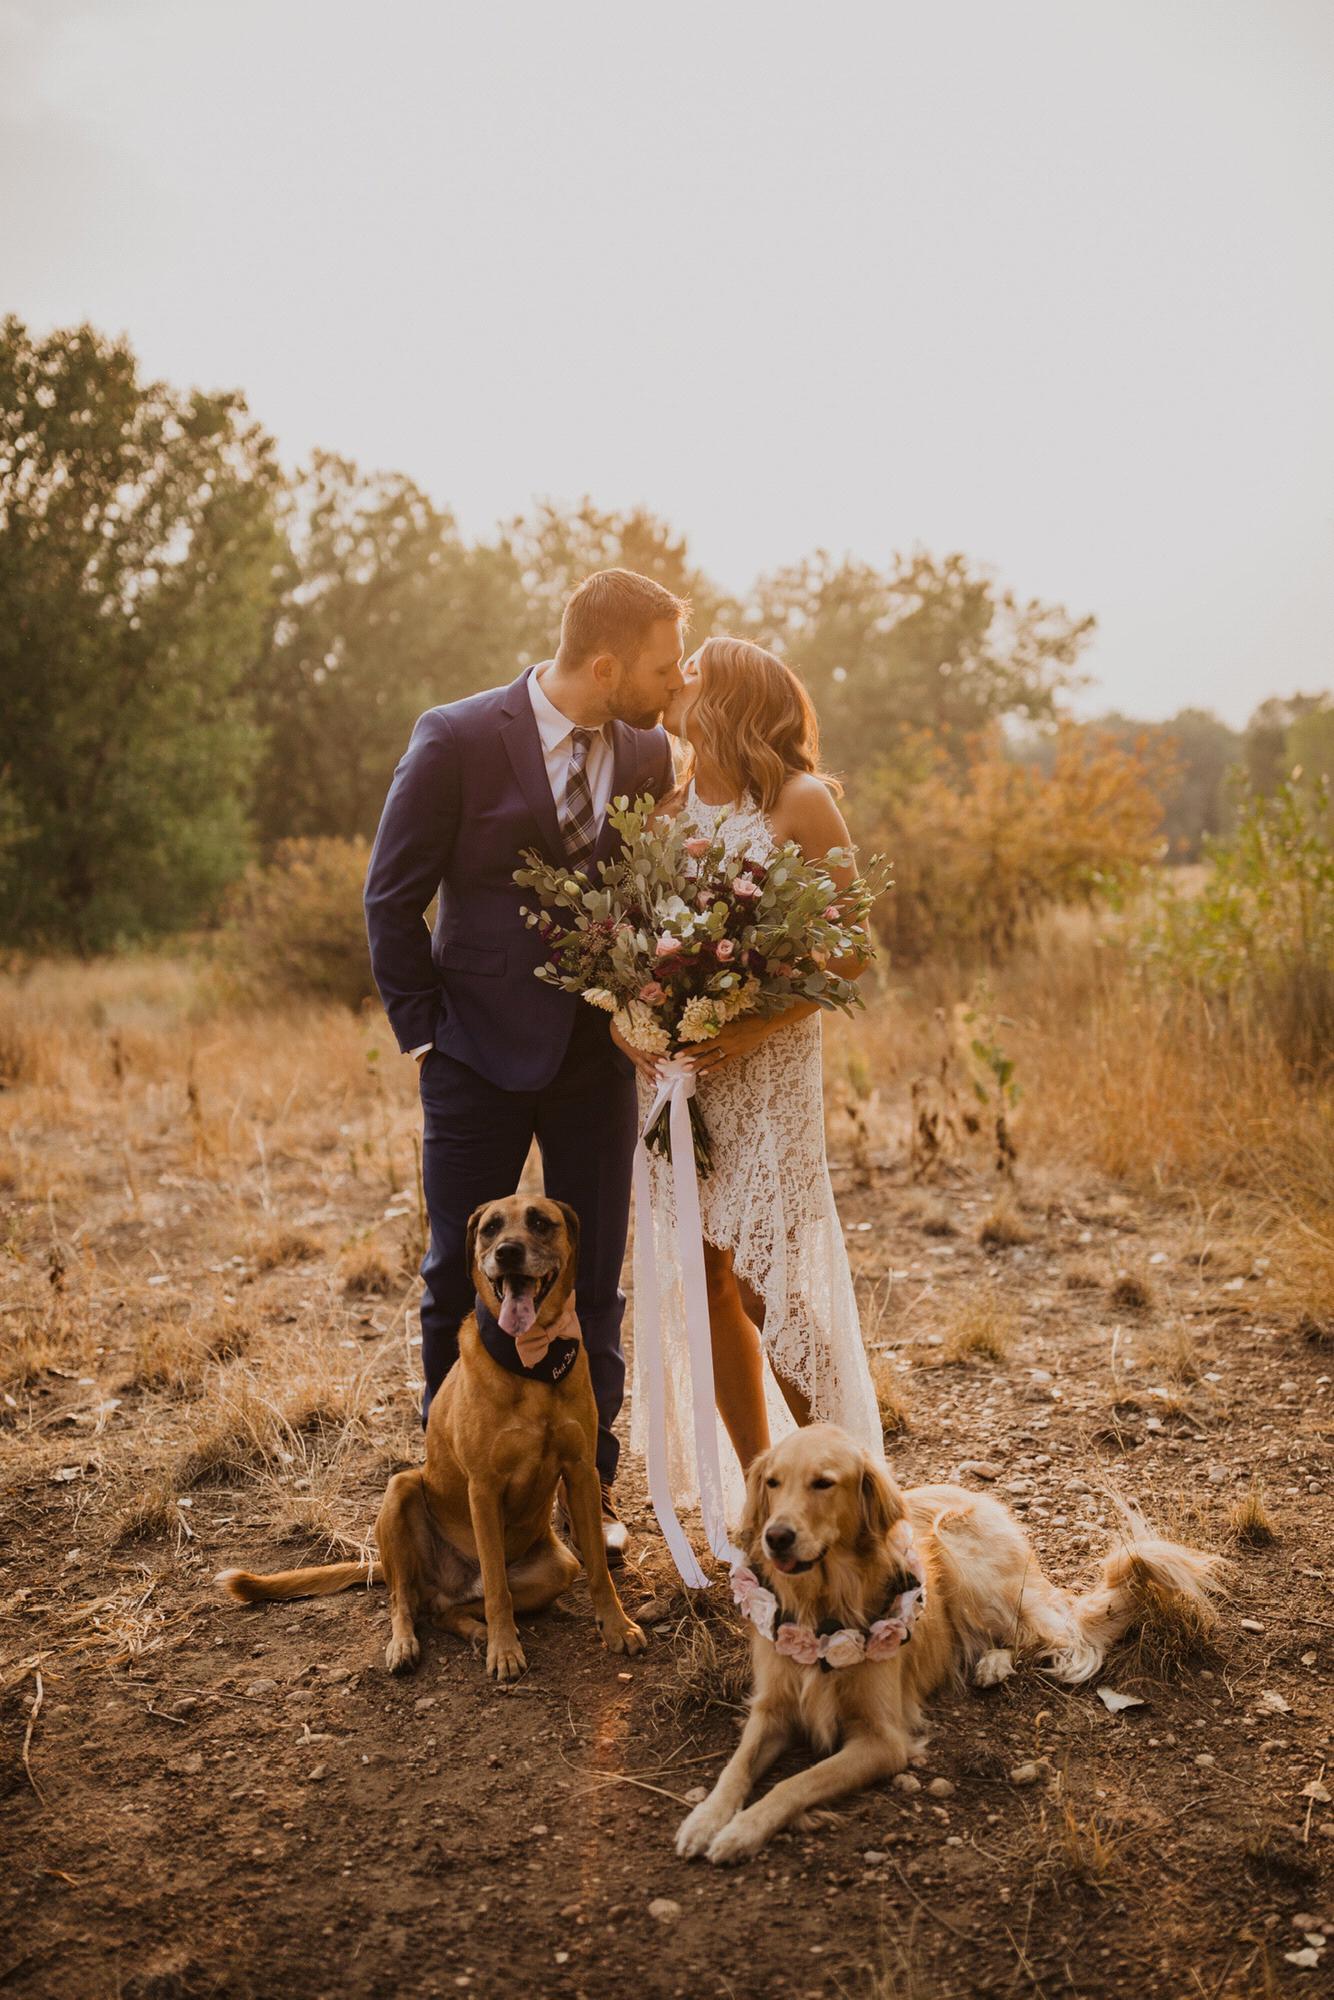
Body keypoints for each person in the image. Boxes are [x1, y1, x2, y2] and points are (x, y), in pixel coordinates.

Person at [364, 568, 687, 1564]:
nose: (674, 687)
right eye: (662, 667)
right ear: (603, 664)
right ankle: (462, 1517)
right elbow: (391, 895)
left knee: (591, 1283)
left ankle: (586, 1490)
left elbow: (648, 889)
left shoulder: (643, 752)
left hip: (597, 1060)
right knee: (456, 1282)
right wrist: (425, 1032)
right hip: (471, 1057)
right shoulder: (456, 736)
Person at [621, 637, 882, 1507]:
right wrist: (634, 1026)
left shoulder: (800, 802)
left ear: (727, 696)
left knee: (774, 1280)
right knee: (706, 1279)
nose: (673, 680)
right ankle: (758, 1488)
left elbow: (850, 952)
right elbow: (630, 953)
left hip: (764, 1070)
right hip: (678, 1077)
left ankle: (837, 1490)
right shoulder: (662, 813)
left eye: (689, 670)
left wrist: (748, 1025)